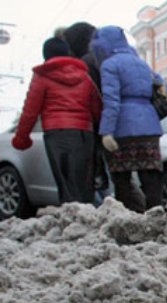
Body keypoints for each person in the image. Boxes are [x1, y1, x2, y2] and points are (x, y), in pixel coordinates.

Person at [12, 37, 102, 206]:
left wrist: (21, 137)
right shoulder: (84, 76)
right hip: (85, 134)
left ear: (46, 55)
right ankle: (87, 221)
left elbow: (30, 111)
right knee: (84, 183)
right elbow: (97, 106)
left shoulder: (43, 76)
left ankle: (73, 225)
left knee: (67, 183)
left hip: (58, 133)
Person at [91, 26, 164, 212]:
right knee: (151, 179)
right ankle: (156, 217)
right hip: (149, 126)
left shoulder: (110, 65)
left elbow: (112, 101)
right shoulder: (140, 62)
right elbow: (164, 87)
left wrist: (106, 131)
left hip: (123, 129)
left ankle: (129, 219)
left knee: (122, 180)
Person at [61, 21, 109, 202]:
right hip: (112, 124)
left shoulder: (85, 64)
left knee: (96, 175)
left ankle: (104, 212)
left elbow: (94, 97)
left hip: (96, 127)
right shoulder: (103, 57)